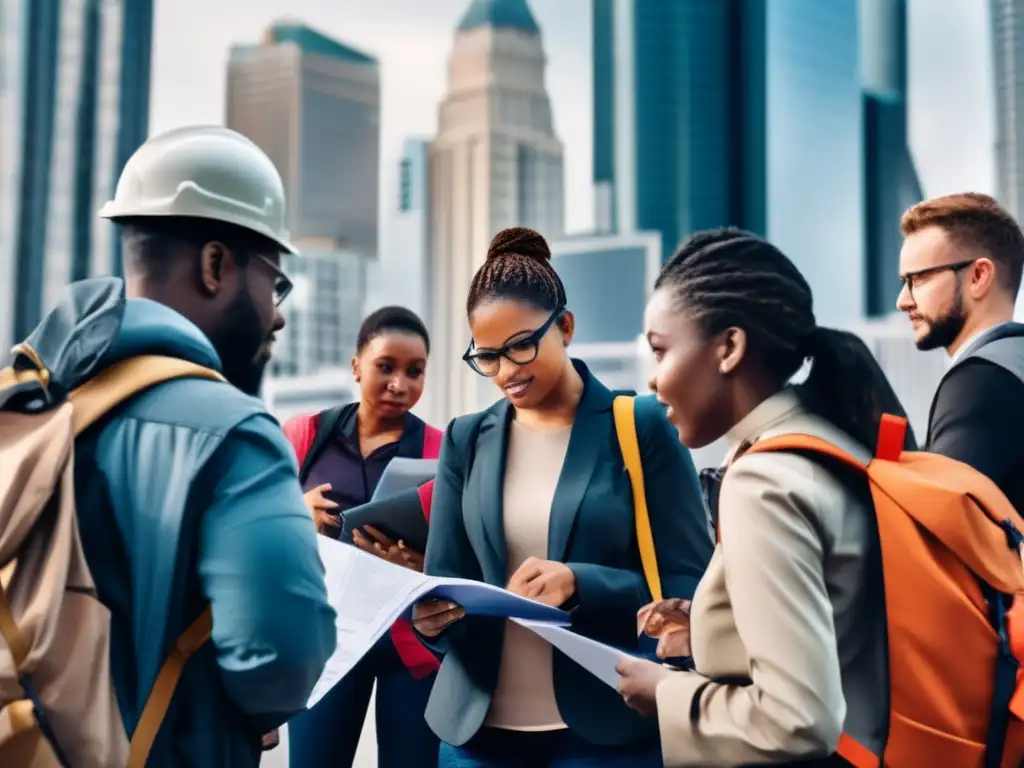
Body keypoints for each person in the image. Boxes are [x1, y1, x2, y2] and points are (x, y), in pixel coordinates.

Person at [24, 125, 337, 765]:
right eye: (273, 282)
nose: (276, 314)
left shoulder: (29, 400)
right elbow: (281, 658)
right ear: (216, 264)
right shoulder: (237, 436)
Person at [413, 227, 713, 767]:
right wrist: (431, 620)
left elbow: (692, 586)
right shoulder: (465, 438)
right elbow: (446, 579)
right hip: (476, 737)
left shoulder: (640, 424)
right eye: (487, 357)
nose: (506, 371)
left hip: (605, 732)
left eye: (522, 345)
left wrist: (582, 581)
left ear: (566, 327)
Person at [617, 229, 913, 765]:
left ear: (728, 348)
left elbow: (796, 720)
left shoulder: (763, 484)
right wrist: (709, 621)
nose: (654, 381)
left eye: (660, 351)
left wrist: (665, 693)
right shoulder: (832, 442)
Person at [285, 306, 444, 768]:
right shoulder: (305, 435)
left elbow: (458, 551)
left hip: (408, 642)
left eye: (415, 372)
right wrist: (297, 517)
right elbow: (258, 533)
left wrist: (418, 563)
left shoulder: (441, 448)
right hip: (326, 640)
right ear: (356, 366)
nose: (401, 384)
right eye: (386, 367)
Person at [897, 192, 1024, 511]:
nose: (903, 300)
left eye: (919, 278)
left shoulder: (981, 381)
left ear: (979, 276)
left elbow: (931, 519)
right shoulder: (1013, 364)